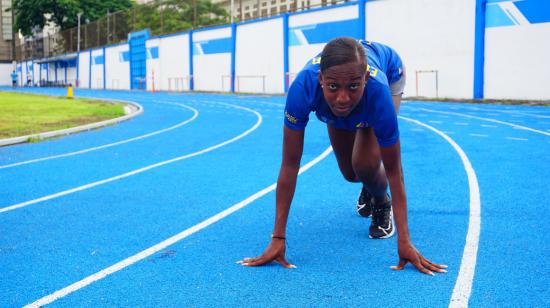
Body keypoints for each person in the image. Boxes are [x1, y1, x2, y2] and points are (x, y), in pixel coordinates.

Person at [238, 37, 446, 275]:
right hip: (343, 90)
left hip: (389, 71)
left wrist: (404, 241)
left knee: (364, 163)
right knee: (350, 172)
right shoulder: (302, 87)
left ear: (365, 80)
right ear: (320, 80)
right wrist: (277, 237)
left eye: (353, 87)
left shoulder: (377, 92)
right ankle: (368, 183)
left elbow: (394, 171)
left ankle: (380, 201)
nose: (343, 98)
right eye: (333, 87)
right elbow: (290, 164)